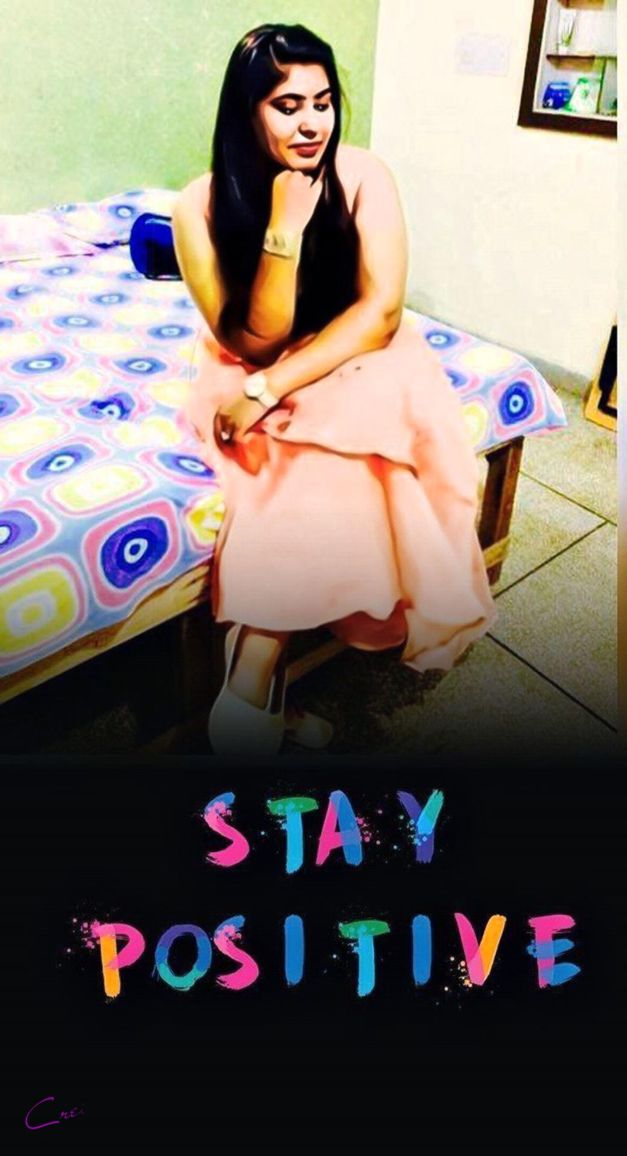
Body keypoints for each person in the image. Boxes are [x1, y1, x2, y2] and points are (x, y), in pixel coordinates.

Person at [171, 23, 496, 756]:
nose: (313, 123)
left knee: (353, 424)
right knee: (299, 454)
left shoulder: (364, 173)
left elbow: (380, 312)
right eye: (287, 106)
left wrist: (271, 388)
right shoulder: (197, 206)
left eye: (323, 102)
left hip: (355, 346)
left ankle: (255, 668)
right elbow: (252, 344)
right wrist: (284, 228)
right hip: (251, 358)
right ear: (246, 112)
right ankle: (263, 688)